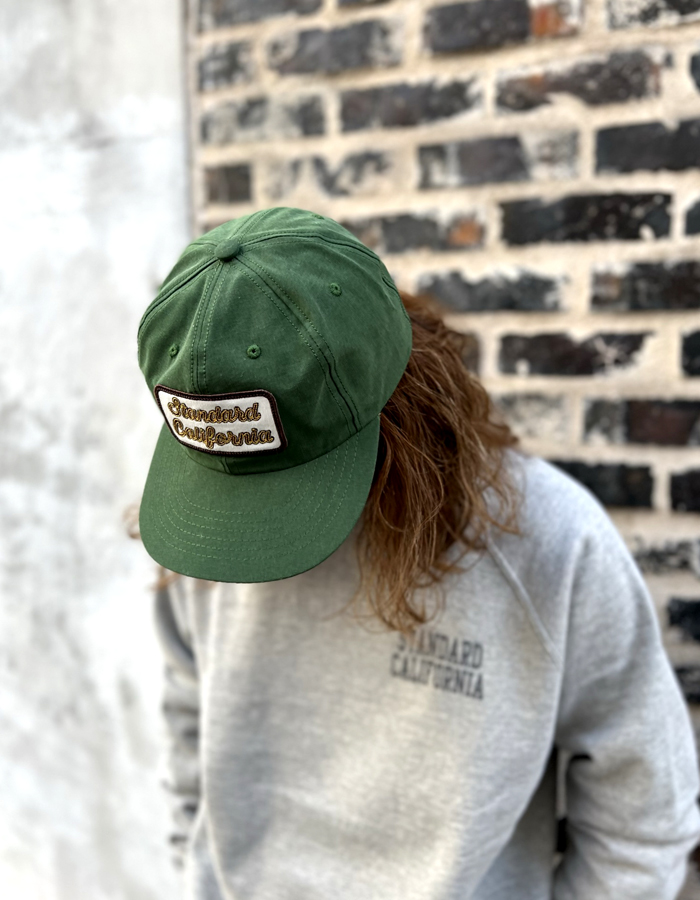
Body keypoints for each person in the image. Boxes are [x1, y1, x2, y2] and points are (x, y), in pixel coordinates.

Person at [137, 206, 700, 900]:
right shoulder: (205, 525)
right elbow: (187, 728)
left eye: (284, 482)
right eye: (231, 483)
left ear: (401, 404)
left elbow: (644, 818)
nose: (243, 522)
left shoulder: (551, 546)